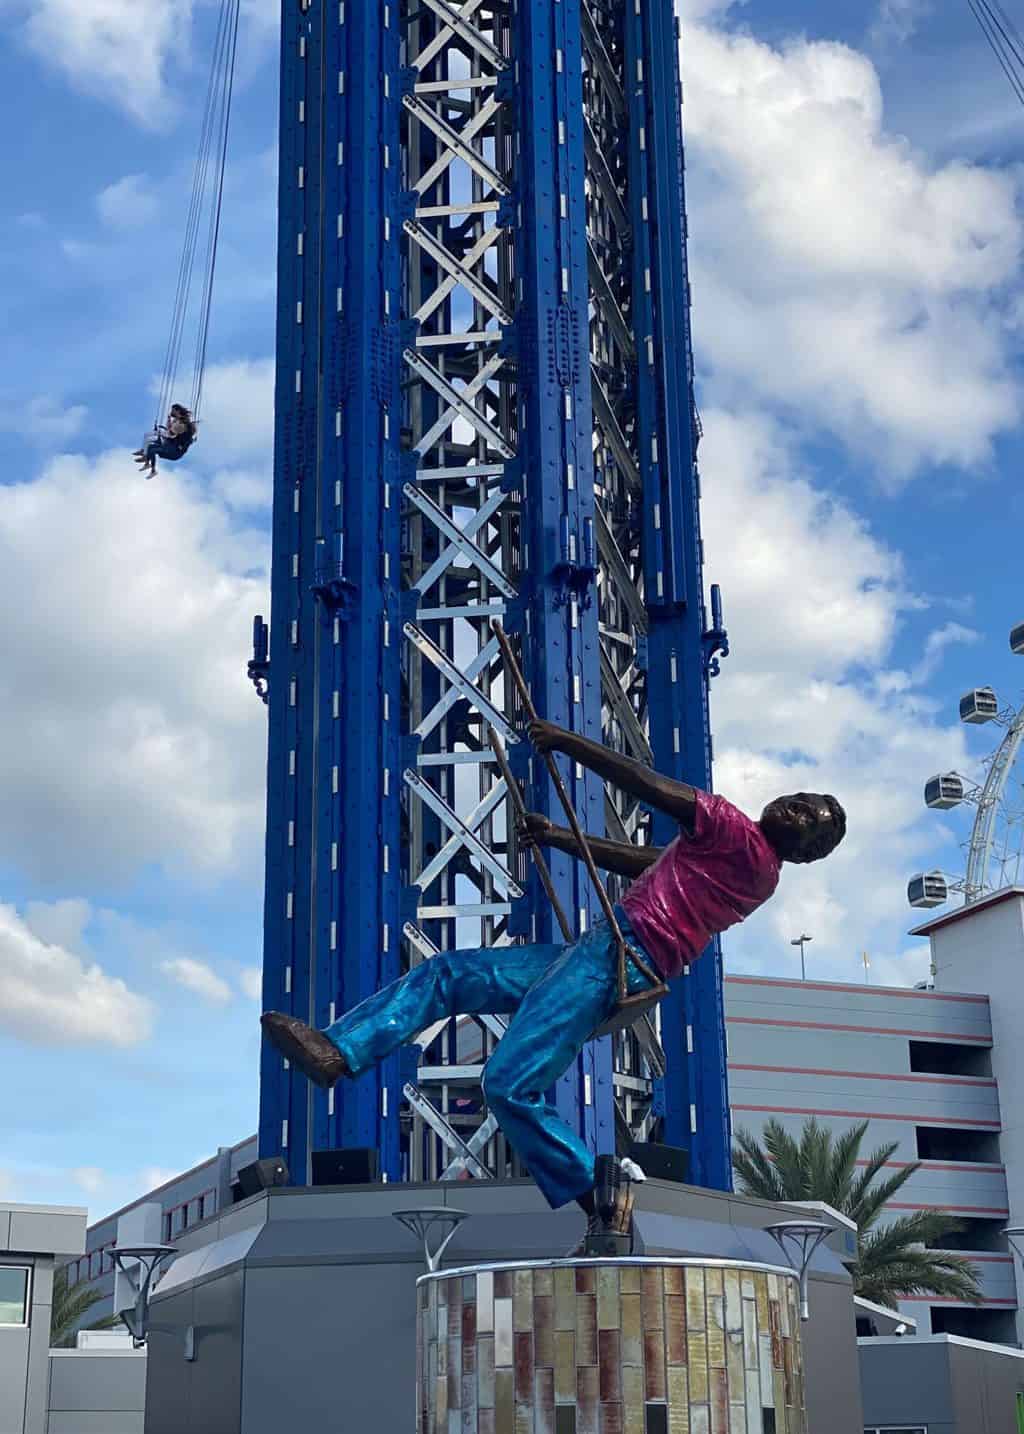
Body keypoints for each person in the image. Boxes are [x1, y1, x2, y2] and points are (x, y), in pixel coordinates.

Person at [261, 718, 846, 1242]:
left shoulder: (737, 833)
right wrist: (560, 837)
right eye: (798, 799)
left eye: (805, 818)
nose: (792, 807)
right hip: (602, 951)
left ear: (807, 852)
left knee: (509, 1085)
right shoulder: (751, 873)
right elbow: (649, 864)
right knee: (450, 973)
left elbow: (646, 782)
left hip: (617, 959)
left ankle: (599, 1200)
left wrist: (567, 742)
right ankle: (338, 1052)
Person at [133, 404, 196, 478]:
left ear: (177, 411)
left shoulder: (182, 424)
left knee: (152, 448)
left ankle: (151, 468)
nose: (171, 411)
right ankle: (148, 464)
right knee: (150, 446)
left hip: (175, 450)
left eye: (173, 410)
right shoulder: (176, 420)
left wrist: (162, 433)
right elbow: (169, 428)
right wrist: (169, 420)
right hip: (170, 443)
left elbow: (172, 433)